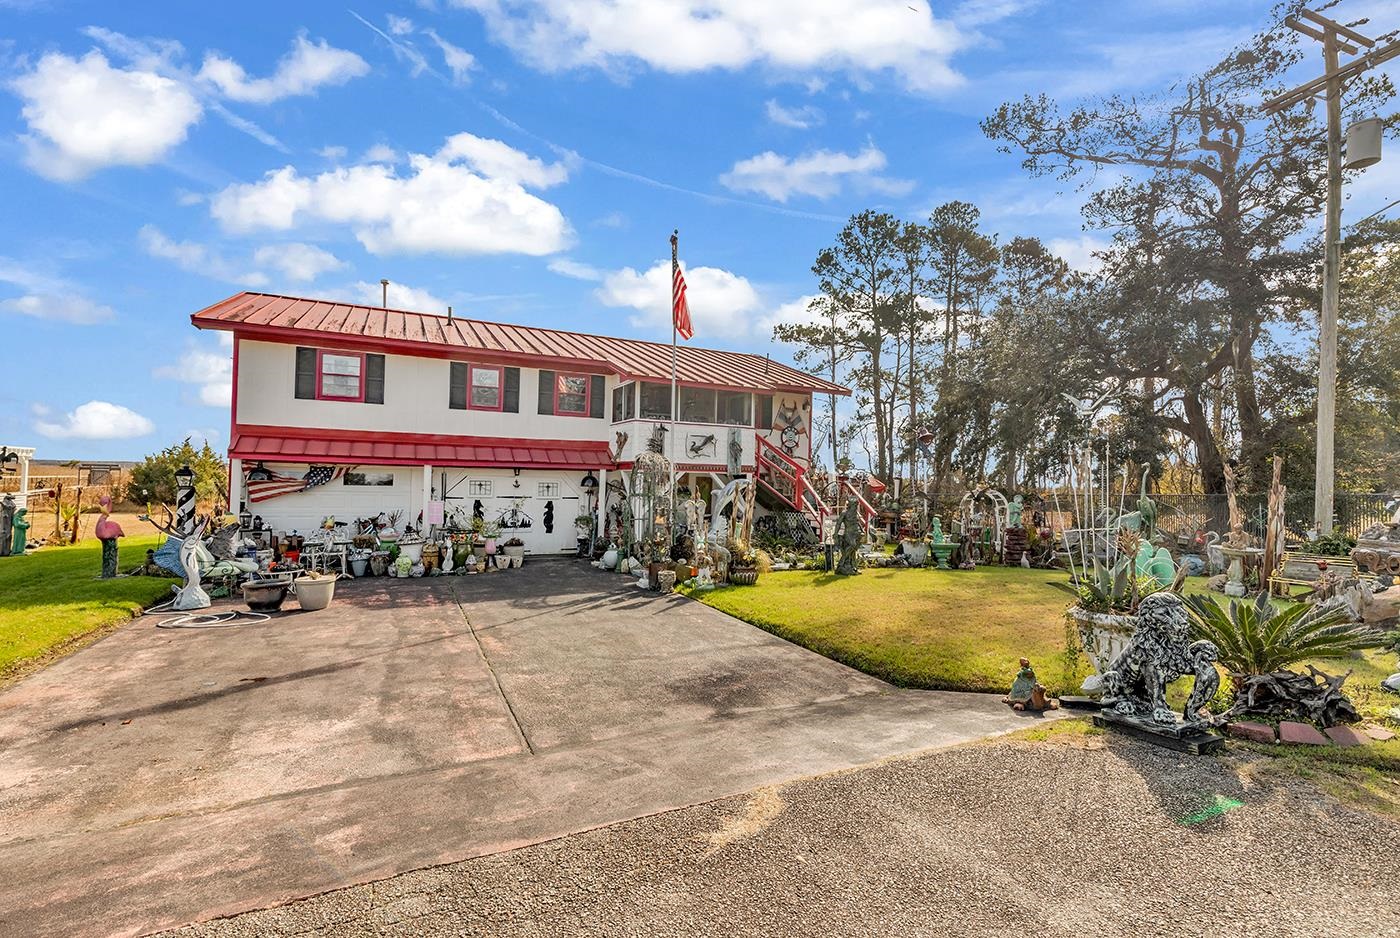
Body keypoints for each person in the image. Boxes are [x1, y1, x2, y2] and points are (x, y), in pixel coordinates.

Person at [95, 496, 125, 578]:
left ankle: (111, 572)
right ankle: (107, 573)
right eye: (102, 505)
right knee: (106, 555)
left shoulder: (112, 527)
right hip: (106, 536)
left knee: (111, 553)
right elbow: (100, 534)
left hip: (112, 537)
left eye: (105, 505)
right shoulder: (103, 520)